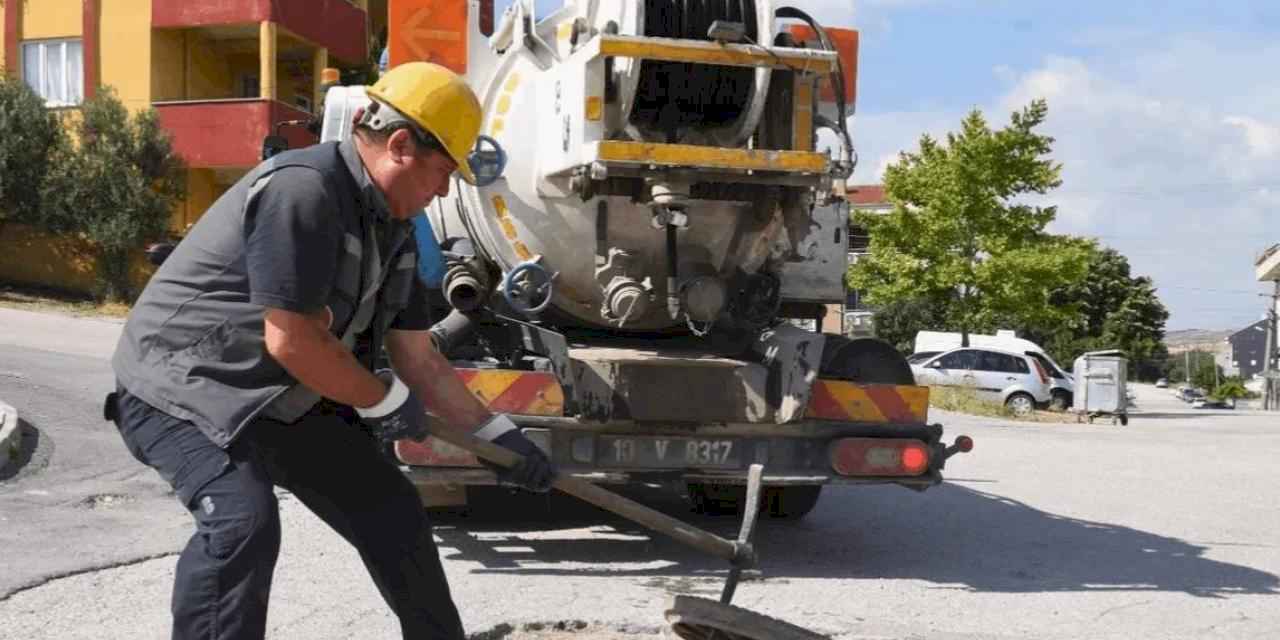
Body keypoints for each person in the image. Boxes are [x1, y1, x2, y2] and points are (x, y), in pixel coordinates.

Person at [103, 62, 555, 640]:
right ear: (399, 146)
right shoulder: (304, 190)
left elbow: (420, 359)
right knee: (243, 524)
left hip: (276, 397)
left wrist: (500, 440)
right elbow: (291, 337)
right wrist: (381, 399)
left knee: (391, 508)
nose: (444, 191)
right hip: (182, 391)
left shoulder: (395, 231)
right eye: (443, 172)